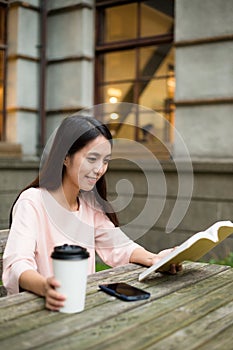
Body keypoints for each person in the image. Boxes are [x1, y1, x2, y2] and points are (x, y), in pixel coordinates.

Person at [3, 115, 181, 311]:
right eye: (92, 159)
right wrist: (45, 287)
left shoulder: (89, 205)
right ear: (65, 157)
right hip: (40, 309)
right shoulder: (32, 202)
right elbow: (17, 264)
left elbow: (119, 247)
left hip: (81, 308)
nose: (99, 169)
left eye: (105, 161)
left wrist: (155, 259)